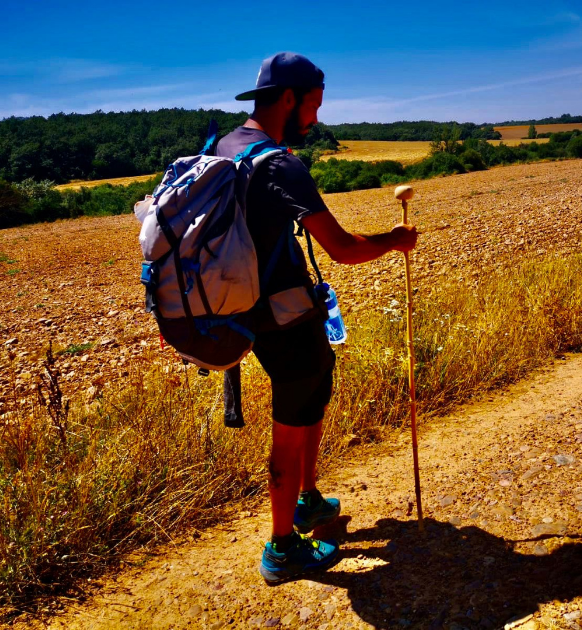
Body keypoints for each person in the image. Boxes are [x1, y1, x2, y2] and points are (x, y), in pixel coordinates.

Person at [215, 52, 417, 584]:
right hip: (283, 316)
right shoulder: (279, 164)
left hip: (247, 309)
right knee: (290, 422)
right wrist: (395, 242)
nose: (316, 118)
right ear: (289, 99)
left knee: (312, 395)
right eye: (313, 105)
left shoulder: (226, 145)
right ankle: (281, 549)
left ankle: (306, 500)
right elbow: (343, 248)